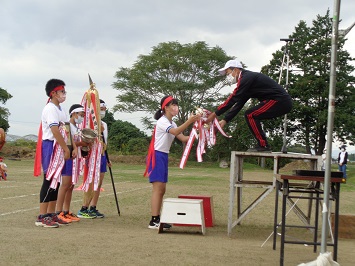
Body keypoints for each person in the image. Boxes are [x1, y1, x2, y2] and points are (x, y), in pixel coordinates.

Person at [206, 59, 293, 152]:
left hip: (280, 101)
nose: (228, 77)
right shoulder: (246, 81)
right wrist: (225, 120)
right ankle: (263, 144)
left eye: (228, 73)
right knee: (250, 114)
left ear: (235, 70)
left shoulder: (246, 78)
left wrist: (214, 114)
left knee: (250, 114)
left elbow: (233, 98)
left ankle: (263, 145)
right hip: (275, 101)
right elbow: (239, 103)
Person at [144, 95, 201, 229]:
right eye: (173, 105)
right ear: (165, 108)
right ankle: (154, 220)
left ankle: (157, 218)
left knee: (162, 189)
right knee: (158, 189)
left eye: (176, 105)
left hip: (163, 155)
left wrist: (198, 131)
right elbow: (175, 131)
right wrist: (189, 121)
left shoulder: (172, 123)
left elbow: (183, 138)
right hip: (156, 155)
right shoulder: (162, 121)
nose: (176, 108)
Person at [34, 79, 76, 228]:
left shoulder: (60, 109)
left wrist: (72, 147)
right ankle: (42, 215)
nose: (64, 94)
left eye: (65, 91)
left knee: (56, 181)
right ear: (53, 93)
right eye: (62, 91)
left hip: (60, 146)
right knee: (49, 179)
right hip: (51, 145)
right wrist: (65, 148)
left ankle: (51, 214)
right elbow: (55, 130)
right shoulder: (50, 108)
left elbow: (66, 129)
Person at [55, 104, 89, 223]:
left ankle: (66, 210)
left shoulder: (77, 127)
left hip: (76, 159)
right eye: (81, 115)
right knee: (65, 185)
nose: (82, 118)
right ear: (74, 114)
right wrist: (82, 143)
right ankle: (58, 212)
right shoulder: (67, 126)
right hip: (68, 158)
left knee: (71, 186)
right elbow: (69, 142)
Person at [77, 99, 110, 218]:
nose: (103, 111)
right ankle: (84, 207)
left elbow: (105, 143)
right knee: (91, 181)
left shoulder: (104, 124)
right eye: (101, 109)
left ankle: (93, 207)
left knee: (99, 183)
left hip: (101, 156)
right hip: (92, 157)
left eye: (104, 109)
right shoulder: (89, 123)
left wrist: (107, 158)